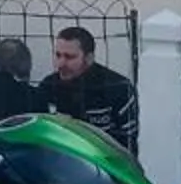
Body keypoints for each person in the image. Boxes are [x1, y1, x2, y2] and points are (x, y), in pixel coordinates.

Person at [38, 25, 139, 153]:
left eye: (69, 57)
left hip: (105, 164)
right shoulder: (48, 86)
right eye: (58, 55)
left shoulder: (118, 87)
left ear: (89, 58)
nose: (61, 63)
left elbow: (129, 143)